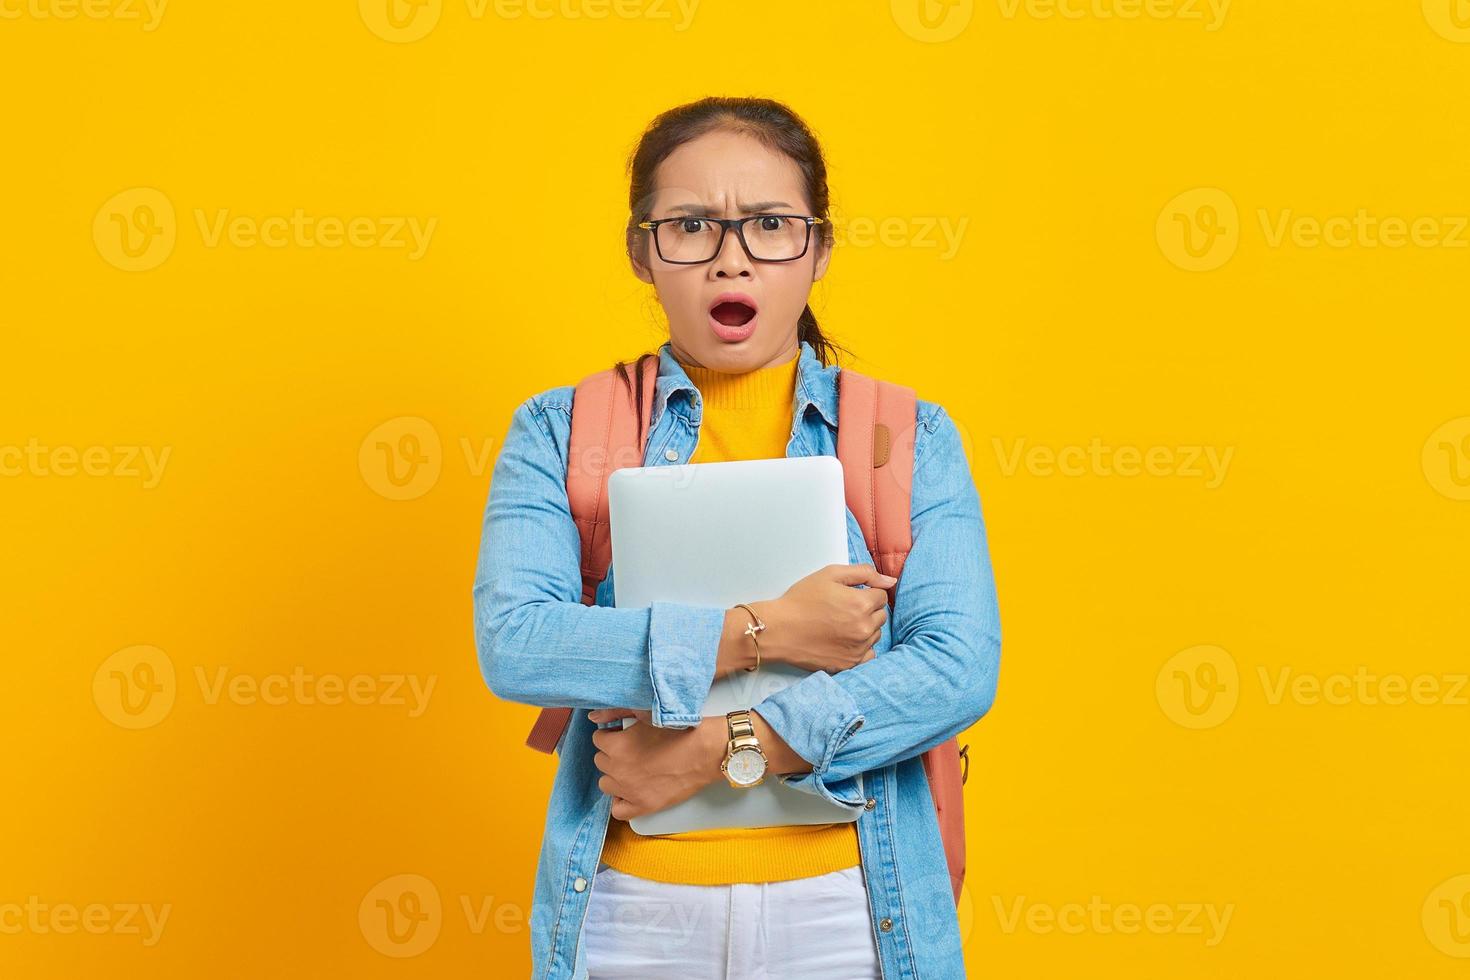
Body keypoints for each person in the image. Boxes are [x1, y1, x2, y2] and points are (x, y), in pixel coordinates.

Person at [473, 96, 1001, 980]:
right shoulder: (559, 430)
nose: (732, 259)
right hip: (632, 919)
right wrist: (761, 630)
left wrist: (715, 752)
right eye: (690, 227)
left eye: (769, 225)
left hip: (852, 912)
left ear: (820, 249)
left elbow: (956, 666)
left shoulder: (907, 438)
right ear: (642, 252)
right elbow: (516, 643)